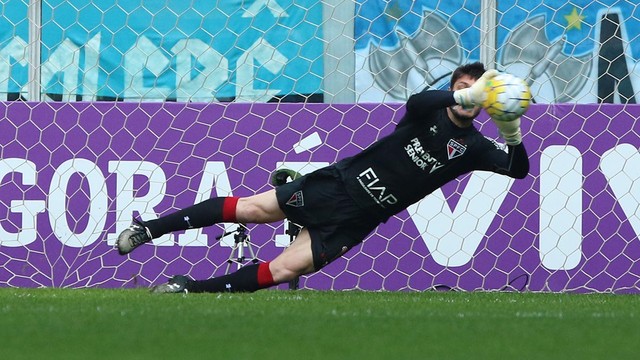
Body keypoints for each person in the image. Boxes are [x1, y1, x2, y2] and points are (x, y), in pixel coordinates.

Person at [116, 62, 529, 294]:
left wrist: (511, 131)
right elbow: (417, 100)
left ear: (487, 106)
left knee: (281, 271)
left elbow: (518, 169)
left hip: (359, 218)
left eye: (479, 93)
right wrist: (466, 94)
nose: (471, 96)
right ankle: (147, 230)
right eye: (463, 87)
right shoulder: (430, 112)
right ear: (456, 90)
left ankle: (187, 289)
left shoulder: (473, 147)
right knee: (253, 209)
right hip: (338, 183)